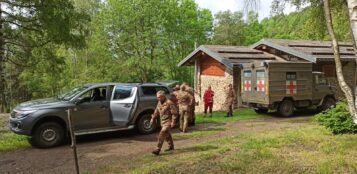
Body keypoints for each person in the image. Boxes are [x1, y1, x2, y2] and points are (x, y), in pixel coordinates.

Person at [150, 90, 178, 156]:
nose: (158, 98)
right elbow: (156, 111)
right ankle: (171, 146)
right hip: (162, 121)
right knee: (167, 135)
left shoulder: (169, 103)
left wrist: (173, 122)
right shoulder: (159, 102)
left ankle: (157, 149)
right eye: (157, 97)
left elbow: (174, 113)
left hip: (168, 121)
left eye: (159, 97)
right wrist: (152, 118)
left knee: (162, 133)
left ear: (163, 96)